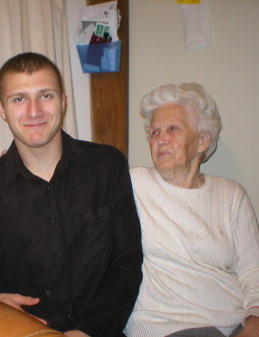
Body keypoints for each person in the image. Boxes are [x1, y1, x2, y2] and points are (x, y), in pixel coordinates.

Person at [0, 52, 143, 337]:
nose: (34, 111)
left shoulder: (107, 165)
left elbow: (126, 262)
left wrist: (88, 331)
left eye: (45, 95)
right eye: (19, 99)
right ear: (1, 109)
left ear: (63, 100)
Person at [124, 83, 259, 337]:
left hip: (236, 324)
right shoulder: (134, 184)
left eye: (172, 129)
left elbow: (254, 270)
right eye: (154, 132)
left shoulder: (231, 196)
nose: (160, 138)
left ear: (203, 140)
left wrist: (254, 323)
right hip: (168, 327)